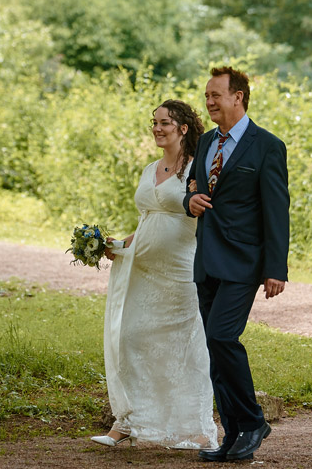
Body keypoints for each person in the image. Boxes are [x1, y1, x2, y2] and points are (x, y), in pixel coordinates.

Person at [90, 99, 219, 450]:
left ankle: (195, 427)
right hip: (142, 271)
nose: (158, 128)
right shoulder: (150, 169)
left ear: (183, 128)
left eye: (165, 123)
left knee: (185, 348)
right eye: (154, 122)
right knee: (130, 338)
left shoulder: (197, 168)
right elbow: (147, 220)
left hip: (180, 271)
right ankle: (129, 422)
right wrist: (116, 243)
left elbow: (203, 214)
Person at [184, 66, 289, 462]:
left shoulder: (267, 146)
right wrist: (187, 202)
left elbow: (277, 212)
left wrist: (275, 268)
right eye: (207, 96)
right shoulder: (207, 142)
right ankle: (232, 434)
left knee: (224, 336)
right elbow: (192, 190)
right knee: (214, 346)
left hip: (245, 261)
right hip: (206, 260)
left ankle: (252, 423)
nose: (209, 102)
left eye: (216, 95)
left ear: (238, 97)